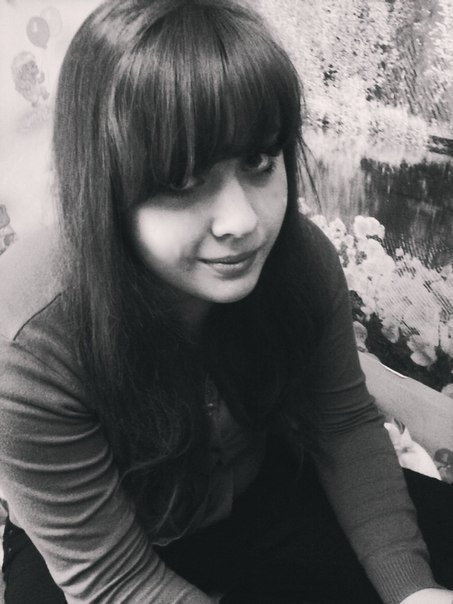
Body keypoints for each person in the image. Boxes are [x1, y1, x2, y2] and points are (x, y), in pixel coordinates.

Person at [0, 0, 452, 602]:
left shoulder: (300, 261)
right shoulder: (29, 343)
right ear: (102, 184)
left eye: (259, 161)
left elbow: (342, 424)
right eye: (182, 181)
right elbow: (113, 578)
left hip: (255, 493)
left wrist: (412, 590)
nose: (242, 221)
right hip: (101, 544)